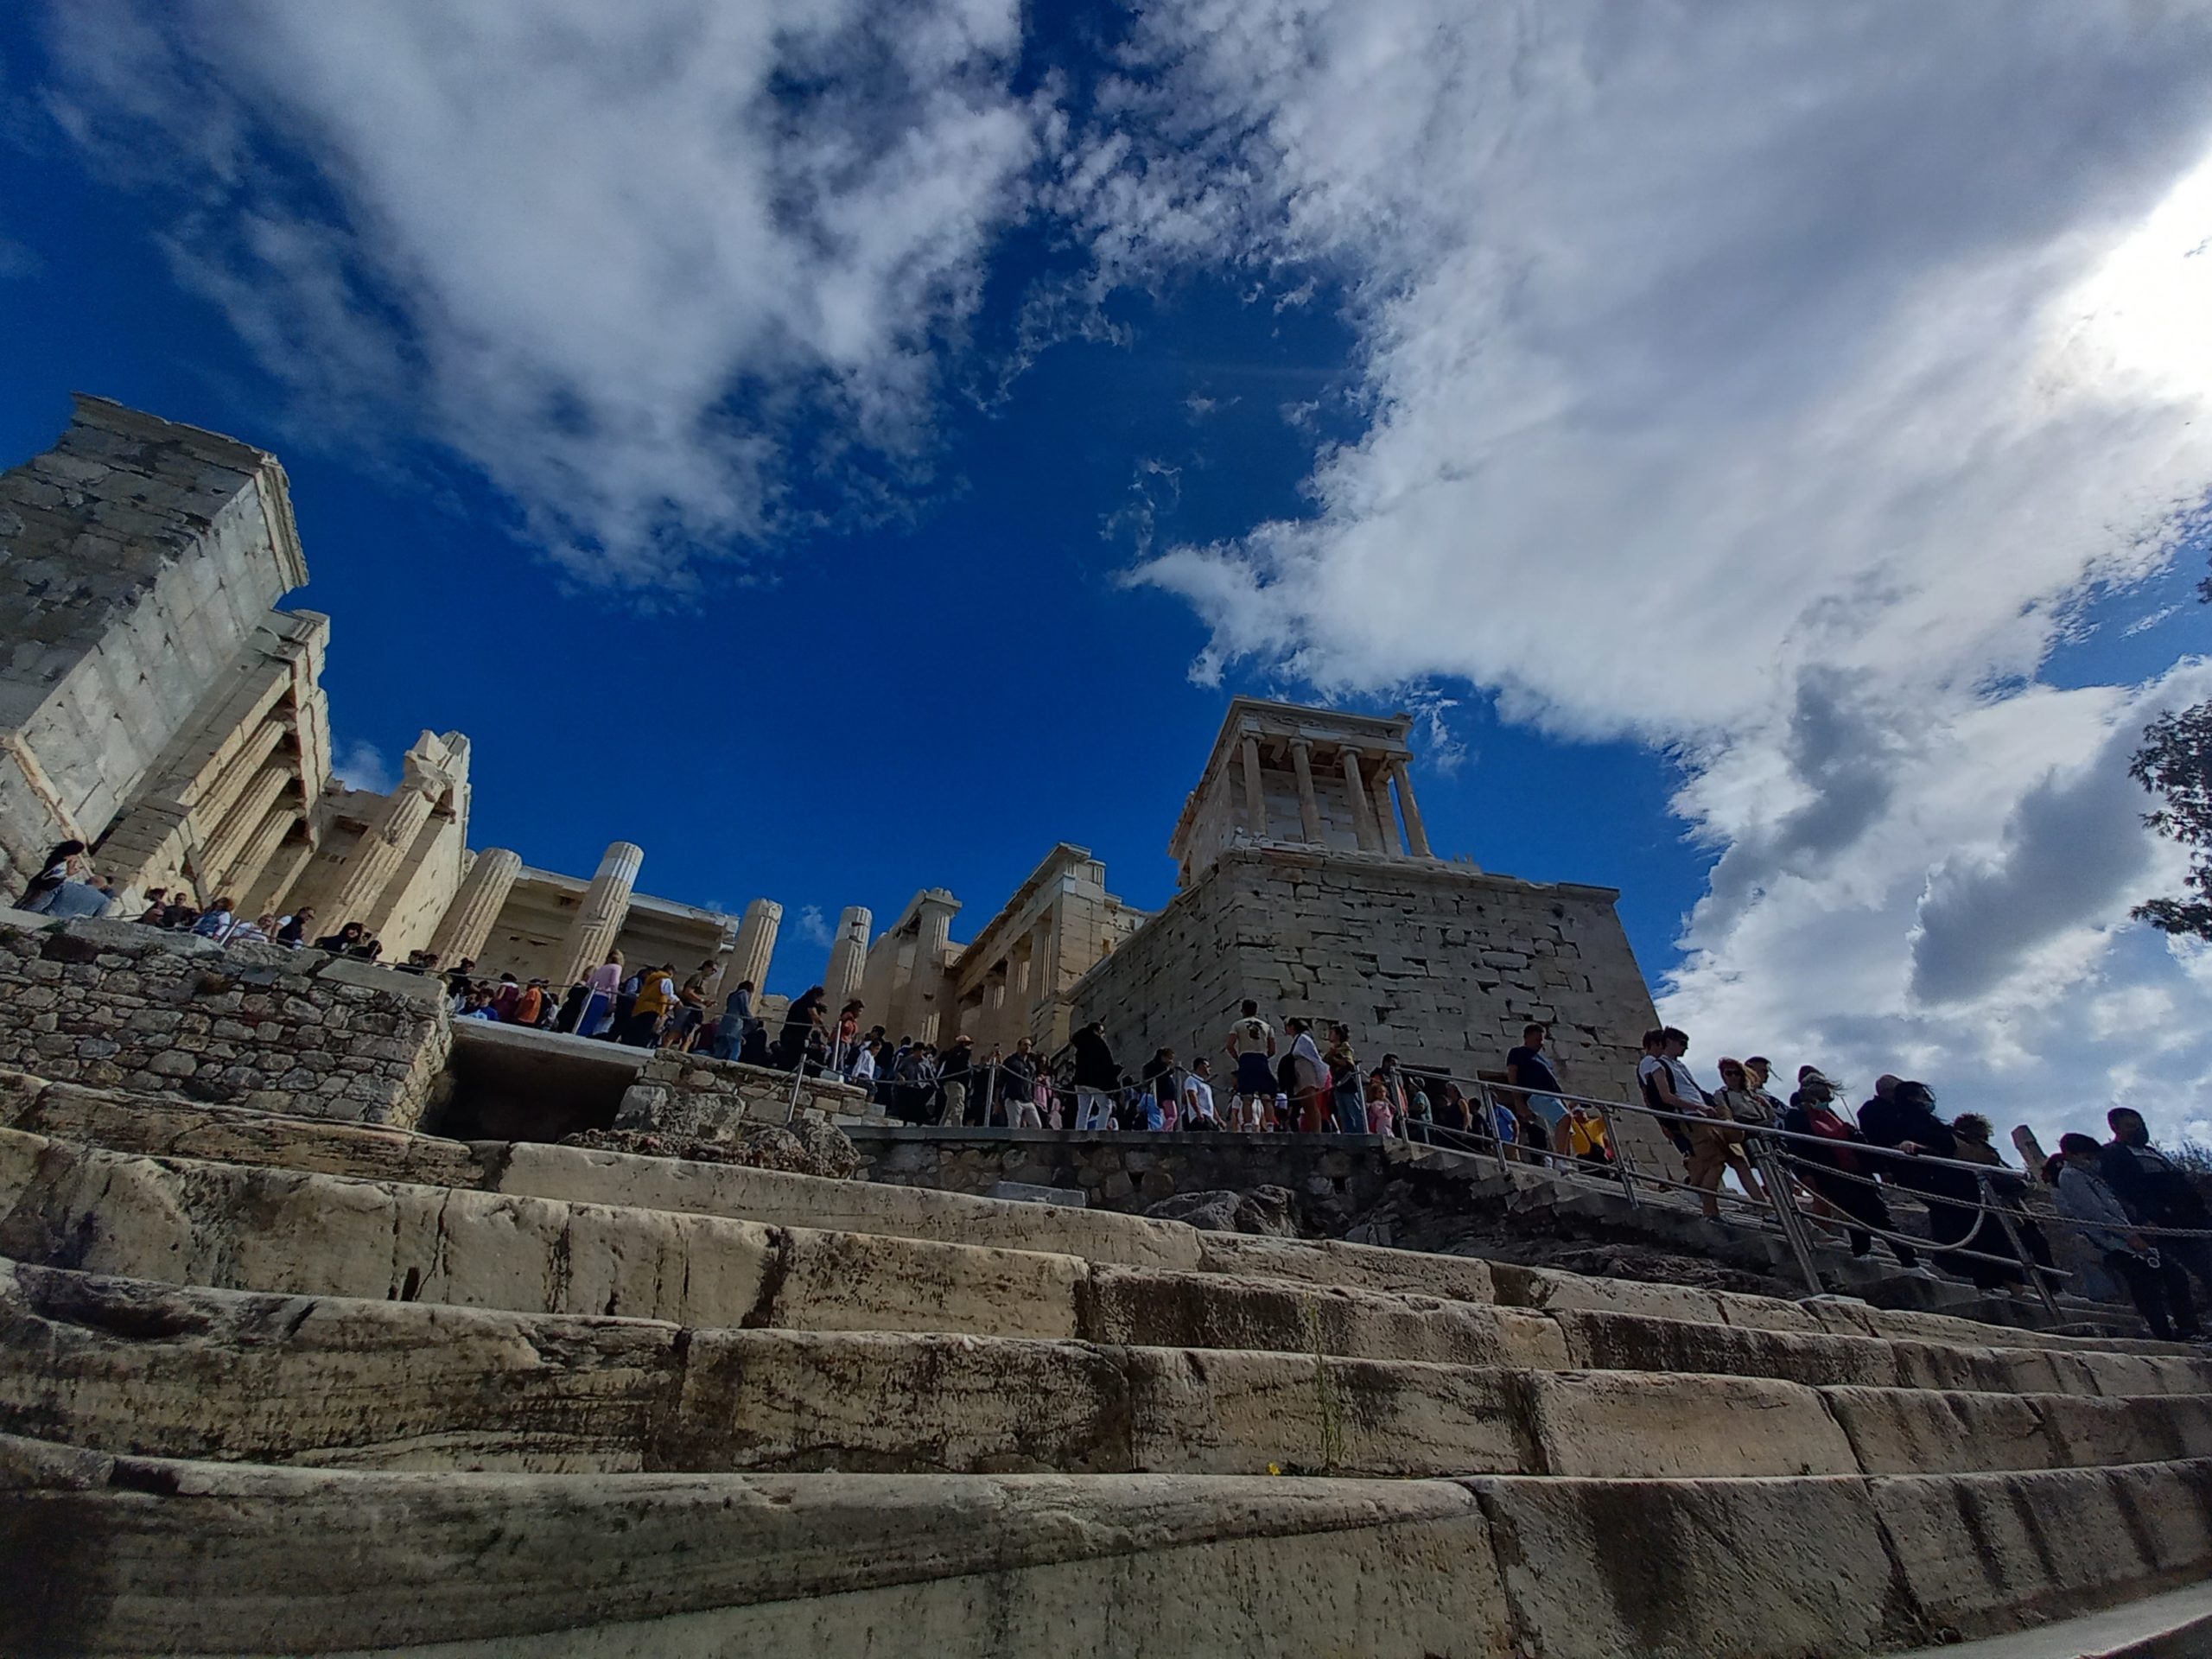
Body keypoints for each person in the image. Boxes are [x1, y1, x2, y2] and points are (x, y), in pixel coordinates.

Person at [1861, 1079, 2011, 1288]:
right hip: (1931, 1176)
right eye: (1922, 1096)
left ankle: (2000, 1282)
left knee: (1978, 1225)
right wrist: (1886, 1167)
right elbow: (1882, 1142)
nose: (1927, 1100)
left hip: (1951, 1175)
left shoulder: (1925, 1119)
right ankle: (1986, 1281)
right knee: (1965, 1224)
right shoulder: (1888, 1115)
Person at [2053, 1134, 2200, 1341]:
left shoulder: (2094, 1178)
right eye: (2087, 1157)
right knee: (2149, 1287)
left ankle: (2186, 1328)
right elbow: (2095, 1213)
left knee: (2171, 1276)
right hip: (2113, 1242)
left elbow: (2117, 1205)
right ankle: (2167, 1333)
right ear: (2072, 1155)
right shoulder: (2070, 1177)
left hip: (2127, 1237)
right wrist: (2129, 1235)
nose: (2092, 1162)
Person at [1782, 1068, 1921, 1268]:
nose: (1827, 1098)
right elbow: (1797, 1147)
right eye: (1823, 1094)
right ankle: (1900, 1259)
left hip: (1856, 1172)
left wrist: (1881, 1168)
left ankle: (1893, 1257)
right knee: (1861, 1215)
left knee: (1877, 1215)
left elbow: (1856, 1142)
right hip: (1830, 1174)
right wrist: (1805, 1174)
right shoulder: (1797, 1117)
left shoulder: (1831, 1114)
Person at [2101, 1108, 2212, 1303]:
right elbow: (2120, 1191)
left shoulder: (2152, 1152)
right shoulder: (2113, 1154)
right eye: (2130, 1126)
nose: (2137, 1130)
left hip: (2194, 1217)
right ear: (2115, 1127)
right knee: (2201, 1269)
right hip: (2164, 1224)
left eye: (2139, 1125)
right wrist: (2142, 1220)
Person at [1952, 1111, 2057, 1285]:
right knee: (2020, 1247)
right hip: (1997, 1207)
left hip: (2013, 1208)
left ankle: (2050, 1286)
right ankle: (2028, 1287)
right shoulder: (1971, 1152)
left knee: (2036, 1245)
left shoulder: (1988, 1152)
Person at [1504, 1023, 1567, 1143]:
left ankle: (1563, 1160)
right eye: (1538, 1039)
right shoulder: (1517, 1053)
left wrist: (1565, 1104)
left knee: (1565, 1130)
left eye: (1542, 1039)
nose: (1542, 1043)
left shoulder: (1545, 1061)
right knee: (1563, 1120)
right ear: (1527, 1037)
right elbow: (1512, 1077)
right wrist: (1519, 1103)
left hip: (1554, 1098)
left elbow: (1554, 1085)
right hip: (1538, 1097)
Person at [1224, 1000, 1277, 1133]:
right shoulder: (1267, 1026)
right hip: (1262, 1059)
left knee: (1247, 1097)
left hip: (1246, 1059)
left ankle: (1247, 1127)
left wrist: (1238, 1058)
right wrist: (1264, 1057)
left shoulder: (1237, 1025)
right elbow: (1272, 1050)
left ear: (1243, 1010)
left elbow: (1230, 1045)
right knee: (1266, 1096)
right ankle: (1270, 1127)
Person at [1070, 1020, 1122, 1131]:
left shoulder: (1081, 1045)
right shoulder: (1098, 1044)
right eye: (1101, 1032)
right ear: (1095, 1031)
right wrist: (1116, 1070)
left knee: (1083, 1110)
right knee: (1106, 1106)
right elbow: (1105, 1063)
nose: (1103, 1035)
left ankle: (1080, 1131)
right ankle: (1100, 1131)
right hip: (1093, 1082)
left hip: (1080, 1081)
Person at [19, 840, 88, 912]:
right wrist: (69, 869)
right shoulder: (60, 861)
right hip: (45, 886)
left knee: (24, 901)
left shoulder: (56, 856)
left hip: (38, 882)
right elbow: (59, 875)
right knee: (31, 907)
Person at [1284, 1019, 1328, 1132]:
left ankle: (1317, 1131)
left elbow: (1314, 1057)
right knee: (1305, 1103)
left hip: (1305, 1068)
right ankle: (1312, 1130)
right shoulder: (1298, 1039)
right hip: (1299, 1068)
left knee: (1310, 1102)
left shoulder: (1304, 1038)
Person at [1323, 1023, 1365, 1133]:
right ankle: (1349, 1133)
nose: (1329, 1035)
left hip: (1348, 1083)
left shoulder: (1345, 1047)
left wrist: (1334, 1057)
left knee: (1355, 1110)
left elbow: (1348, 1064)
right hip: (1337, 1083)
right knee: (1343, 1113)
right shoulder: (1333, 1049)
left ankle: (1361, 1133)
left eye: (1332, 1033)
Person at [776, 986, 827, 1071]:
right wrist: (824, 1031)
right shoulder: (809, 1002)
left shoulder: (800, 1002)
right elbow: (815, 1017)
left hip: (789, 1034)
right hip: (795, 1036)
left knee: (790, 1059)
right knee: (794, 1058)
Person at [624, 963, 675, 1047]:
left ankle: (630, 1042)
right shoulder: (666, 980)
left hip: (643, 1006)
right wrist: (677, 1002)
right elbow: (669, 994)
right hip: (654, 1008)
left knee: (638, 1027)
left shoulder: (652, 978)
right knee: (645, 1030)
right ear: (670, 974)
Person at [709, 975, 752, 1058]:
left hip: (725, 1023)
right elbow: (744, 1008)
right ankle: (732, 1065)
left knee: (721, 1048)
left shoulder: (732, 995)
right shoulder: (743, 993)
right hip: (735, 1023)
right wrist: (752, 1019)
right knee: (736, 1048)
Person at [937, 1034, 976, 1126]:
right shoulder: (965, 1053)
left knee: (949, 1106)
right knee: (958, 1107)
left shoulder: (950, 1053)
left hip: (948, 1082)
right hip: (958, 1083)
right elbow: (966, 1069)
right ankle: (957, 1129)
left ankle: (941, 1126)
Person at [1181, 1057, 1220, 1130]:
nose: (1210, 1069)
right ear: (1201, 1066)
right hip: (1201, 1116)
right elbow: (1192, 1096)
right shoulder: (1192, 1080)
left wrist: (1218, 1119)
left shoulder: (1205, 1084)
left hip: (1209, 1117)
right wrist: (1198, 1113)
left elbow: (1211, 1103)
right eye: (1207, 1066)